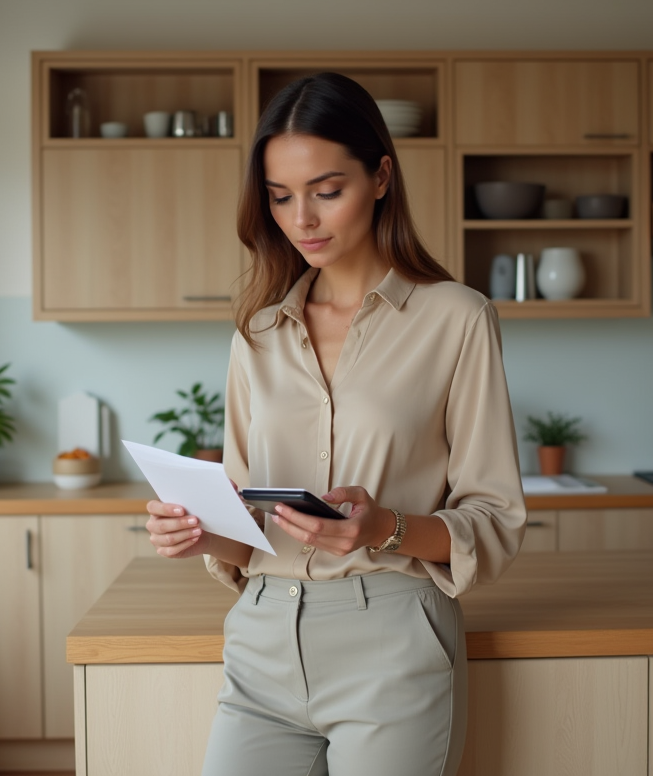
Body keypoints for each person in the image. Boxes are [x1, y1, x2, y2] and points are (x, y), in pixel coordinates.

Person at [144, 72, 526, 776]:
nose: (303, 220)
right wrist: (200, 530)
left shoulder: (458, 319)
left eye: (326, 191)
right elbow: (248, 526)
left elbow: (495, 521)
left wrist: (385, 528)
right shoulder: (257, 333)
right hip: (261, 641)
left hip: (393, 643)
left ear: (380, 177)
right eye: (280, 196)